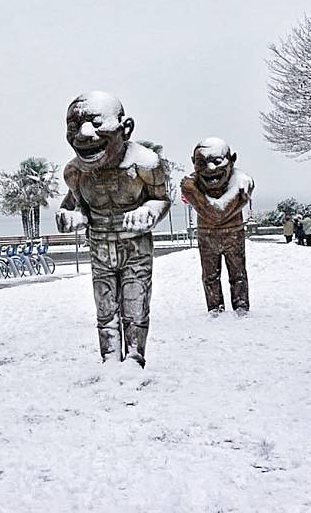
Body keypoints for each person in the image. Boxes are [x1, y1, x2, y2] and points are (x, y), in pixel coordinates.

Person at [56, 92, 169, 367]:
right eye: (74, 125)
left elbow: (162, 199)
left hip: (136, 249)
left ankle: (134, 357)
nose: (83, 134)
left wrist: (148, 212)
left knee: (135, 307)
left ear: (125, 128)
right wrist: (71, 218)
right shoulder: (75, 172)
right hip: (100, 248)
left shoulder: (145, 165)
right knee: (105, 309)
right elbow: (76, 206)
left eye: (96, 123)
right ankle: (109, 357)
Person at [180, 137, 255, 314]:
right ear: (193, 163)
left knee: (238, 274)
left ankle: (241, 306)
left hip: (233, 235)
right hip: (206, 236)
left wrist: (194, 192)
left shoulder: (243, 182)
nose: (210, 168)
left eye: (217, 161)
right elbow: (214, 213)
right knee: (210, 276)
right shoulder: (190, 184)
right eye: (202, 162)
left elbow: (217, 214)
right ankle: (214, 308)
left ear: (232, 160)